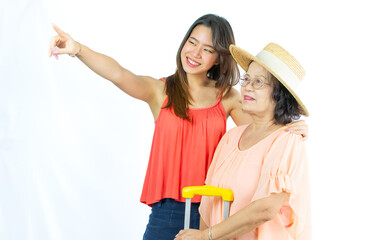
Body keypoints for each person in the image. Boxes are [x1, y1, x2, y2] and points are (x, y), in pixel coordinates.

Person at [49, 14, 308, 239]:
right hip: (167, 212)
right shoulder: (160, 91)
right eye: (192, 42)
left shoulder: (228, 97)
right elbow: (118, 72)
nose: (195, 53)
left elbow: (263, 132)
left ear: (219, 58)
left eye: (207, 49)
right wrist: (77, 49)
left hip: (215, 210)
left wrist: (294, 129)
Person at [175, 43, 311, 240]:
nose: (247, 86)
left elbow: (266, 209)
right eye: (246, 78)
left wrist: (207, 236)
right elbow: (208, 200)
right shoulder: (231, 137)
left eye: (258, 82)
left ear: (280, 94)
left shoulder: (287, 140)